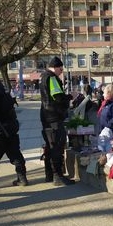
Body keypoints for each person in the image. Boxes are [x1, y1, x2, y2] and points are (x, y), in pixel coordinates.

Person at [40, 56, 74, 186]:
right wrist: (70, 96)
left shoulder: (43, 76)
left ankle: (49, 174)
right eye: (61, 69)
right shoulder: (52, 78)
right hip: (53, 117)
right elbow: (58, 97)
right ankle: (58, 176)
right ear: (55, 67)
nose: (61, 71)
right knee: (57, 146)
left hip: (45, 115)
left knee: (49, 146)